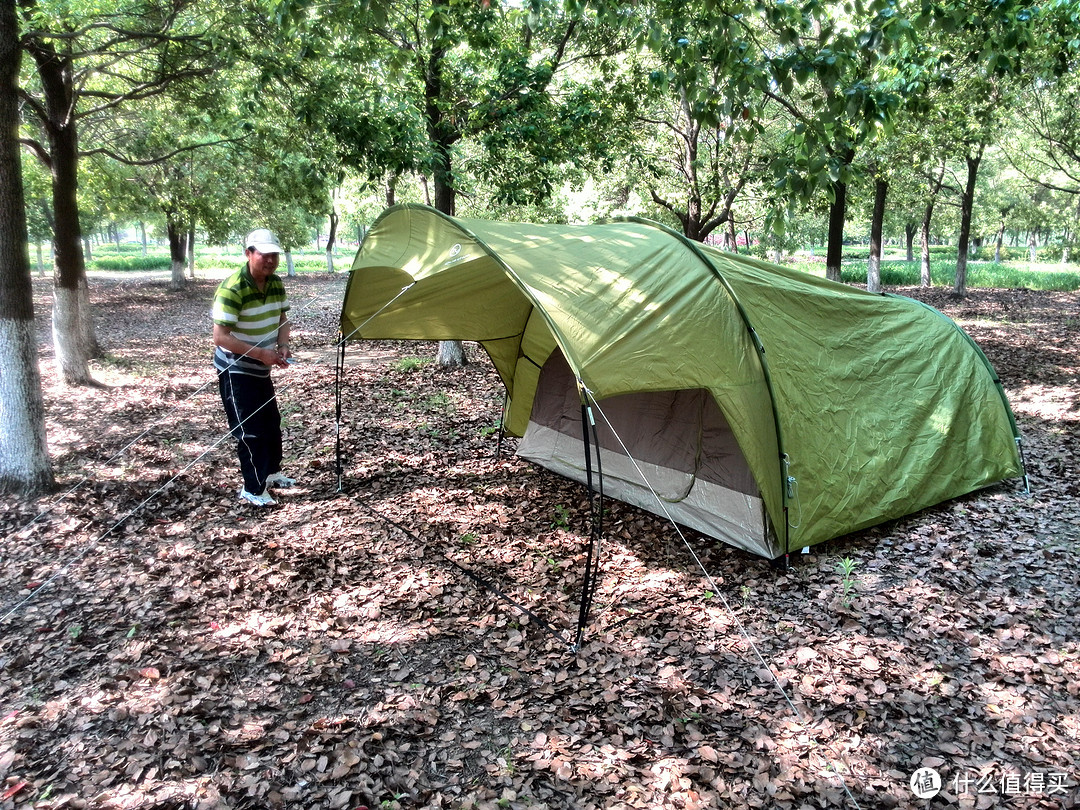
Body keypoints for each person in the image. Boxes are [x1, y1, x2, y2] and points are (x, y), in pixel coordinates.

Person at [212, 228, 296, 506]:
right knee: (250, 429)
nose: (270, 261)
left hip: (262, 366)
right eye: (264, 255)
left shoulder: (275, 283)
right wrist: (260, 353)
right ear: (249, 254)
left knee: (271, 424)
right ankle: (252, 487)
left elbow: (282, 319)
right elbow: (221, 336)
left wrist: (282, 346)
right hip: (236, 368)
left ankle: (270, 473)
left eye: (274, 255)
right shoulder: (232, 288)